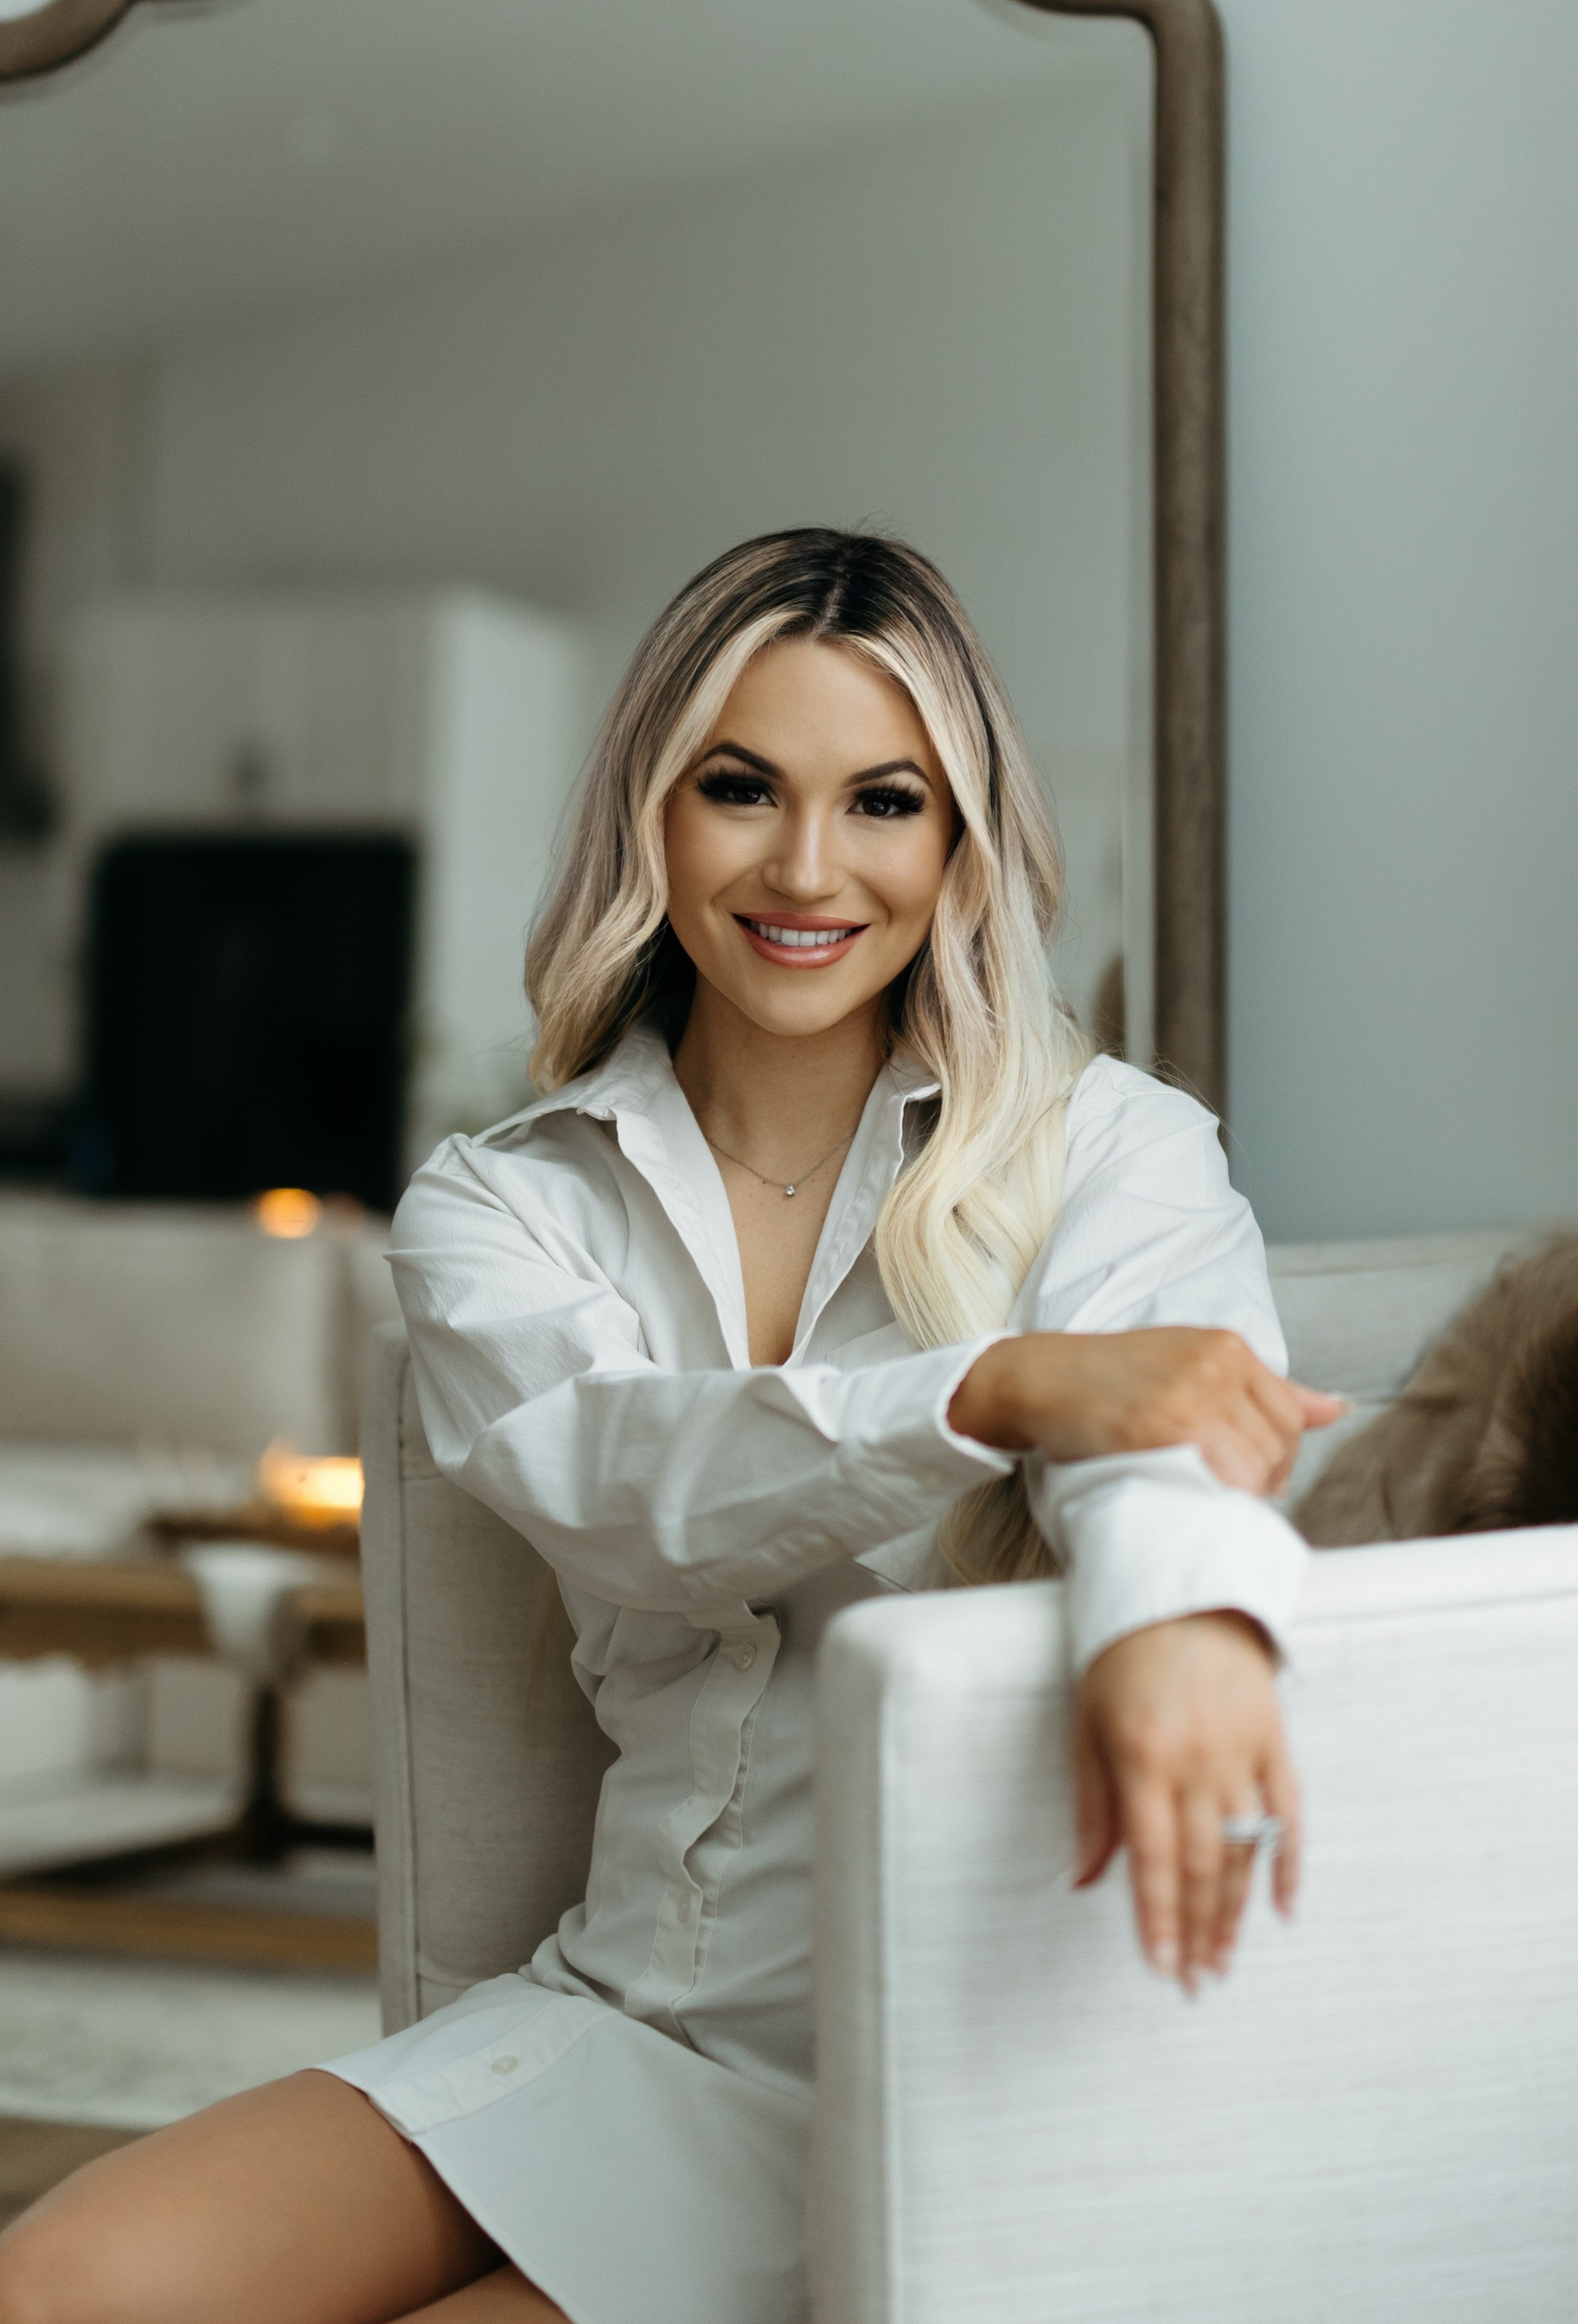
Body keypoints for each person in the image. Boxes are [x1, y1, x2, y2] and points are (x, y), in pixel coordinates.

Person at [0, 529, 1340, 2324]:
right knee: (67, 2282)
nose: (807, 866)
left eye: (882, 800)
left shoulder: (1112, 1145)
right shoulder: (505, 1199)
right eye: (740, 788)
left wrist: (1186, 1626)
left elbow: (1171, 1432)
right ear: (652, 809)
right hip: (638, 2008)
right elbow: (624, 1483)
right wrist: (985, 1386)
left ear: (955, 842)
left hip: (943, 2046)